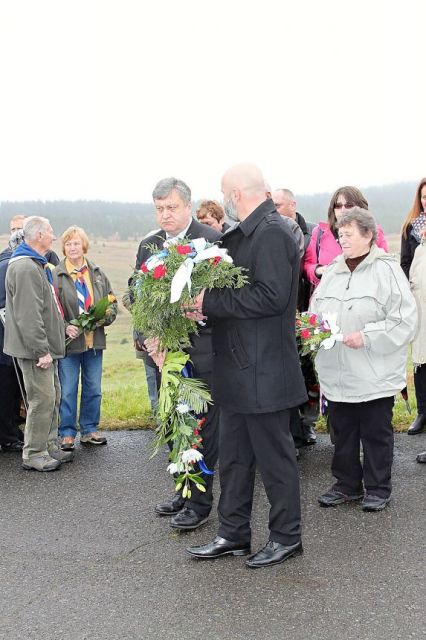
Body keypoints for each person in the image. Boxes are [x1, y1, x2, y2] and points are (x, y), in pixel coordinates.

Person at [185, 163, 307, 569]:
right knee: (235, 460)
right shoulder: (240, 234)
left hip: (264, 372)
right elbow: (236, 294)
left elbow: (270, 298)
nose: (222, 200)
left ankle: (287, 537)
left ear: (236, 194)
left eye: (224, 193)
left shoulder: (271, 233)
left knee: (275, 460)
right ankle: (233, 533)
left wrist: (210, 302)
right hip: (238, 370)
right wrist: (201, 306)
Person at [310, 207, 417, 511]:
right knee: (341, 433)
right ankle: (347, 485)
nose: (342, 239)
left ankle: (378, 488)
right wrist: (311, 328)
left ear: (368, 235)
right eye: (339, 234)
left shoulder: (387, 270)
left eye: (348, 234)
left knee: (375, 434)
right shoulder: (332, 271)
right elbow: (316, 310)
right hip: (338, 372)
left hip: (374, 372)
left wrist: (368, 335)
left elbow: (404, 320)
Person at [132, 177, 221, 531]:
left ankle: (200, 502)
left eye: (171, 208)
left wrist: (199, 312)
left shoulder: (211, 241)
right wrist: (147, 338)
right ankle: (183, 489)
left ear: (187, 206)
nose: (164, 215)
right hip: (162, 355)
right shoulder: (148, 245)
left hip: (202, 354)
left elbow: (224, 298)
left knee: (199, 429)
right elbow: (136, 297)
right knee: (173, 424)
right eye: (159, 209)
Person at [4, 216, 72, 471]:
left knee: (51, 396)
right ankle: (33, 453)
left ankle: (48, 445)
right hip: (34, 351)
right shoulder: (25, 268)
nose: (53, 237)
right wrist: (41, 350)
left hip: (43, 348)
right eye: (50, 232)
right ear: (39, 236)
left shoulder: (35, 264)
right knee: (41, 399)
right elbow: (28, 315)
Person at [52, 226, 117, 450]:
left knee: (93, 388)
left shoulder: (97, 274)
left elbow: (112, 303)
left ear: (84, 246)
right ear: (64, 247)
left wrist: (105, 317)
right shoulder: (56, 275)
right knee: (68, 389)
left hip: (94, 344)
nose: (72, 247)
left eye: (76, 243)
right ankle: (67, 433)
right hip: (69, 346)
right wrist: (64, 327)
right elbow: (49, 310)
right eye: (68, 244)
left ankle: (89, 430)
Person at [273, 188, 317, 447]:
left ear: (293, 204)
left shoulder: (311, 232)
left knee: (308, 373)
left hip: (305, 309)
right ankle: (295, 429)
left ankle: (308, 424)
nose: (274, 210)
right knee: (292, 372)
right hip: (286, 314)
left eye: (278, 205)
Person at [303, 186, 389, 289]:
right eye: (338, 206)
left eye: (348, 205)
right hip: (327, 298)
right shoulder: (319, 232)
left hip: (363, 296)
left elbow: (384, 265)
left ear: (360, 207)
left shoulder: (373, 231)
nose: (343, 210)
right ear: (333, 209)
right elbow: (307, 265)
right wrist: (318, 270)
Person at [400, 177, 426, 436]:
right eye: (424, 197)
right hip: (420, 300)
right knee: (420, 359)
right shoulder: (411, 228)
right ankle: (422, 412)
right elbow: (405, 263)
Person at [0, 230, 25, 451]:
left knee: (13, 390)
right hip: (5, 343)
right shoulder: (7, 266)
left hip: (10, 341)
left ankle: (12, 430)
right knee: (6, 390)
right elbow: (3, 307)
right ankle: (7, 437)